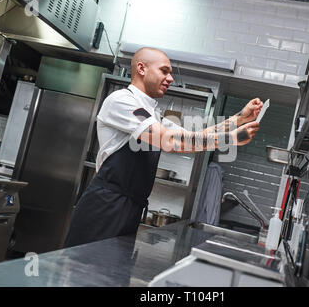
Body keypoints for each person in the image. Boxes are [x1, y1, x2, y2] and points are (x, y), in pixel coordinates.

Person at [64, 47, 263, 247]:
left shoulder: (151, 114)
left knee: (110, 273)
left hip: (129, 209)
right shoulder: (122, 101)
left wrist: (239, 119)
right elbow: (168, 140)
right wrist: (229, 139)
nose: (170, 79)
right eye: (164, 71)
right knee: (88, 271)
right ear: (141, 68)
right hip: (105, 207)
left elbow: (192, 137)